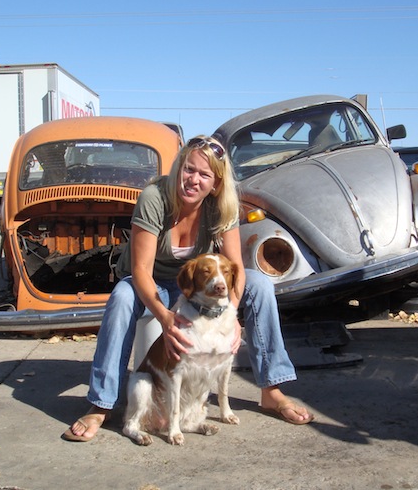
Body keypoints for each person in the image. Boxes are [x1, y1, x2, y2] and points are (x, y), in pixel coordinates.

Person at [63, 135, 314, 442]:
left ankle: (271, 389)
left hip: (197, 287)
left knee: (260, 283)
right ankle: (102, 403)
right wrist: (166, 320)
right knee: (123, 295)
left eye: (204, 175)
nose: (193, 180)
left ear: (216, 183)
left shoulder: (221, 206)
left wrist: (232, 316)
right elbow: (140, 270)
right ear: (179, 166)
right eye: (188, 169)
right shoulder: (155, 197)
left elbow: (235, 267)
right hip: (155, 283)